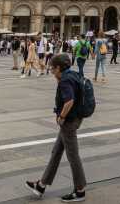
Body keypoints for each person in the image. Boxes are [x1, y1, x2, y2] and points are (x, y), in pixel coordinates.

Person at [25, 54, 87, 202]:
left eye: (52, 68)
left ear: (59, 67)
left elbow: (69, 101)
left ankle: (80, 191)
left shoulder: (65, 80)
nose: (51, 71)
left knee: (73, 156)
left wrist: (61, 117)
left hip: (69, 122)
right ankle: (41, 185)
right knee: (57, 152)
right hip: (76, 118)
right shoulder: (72, 74)